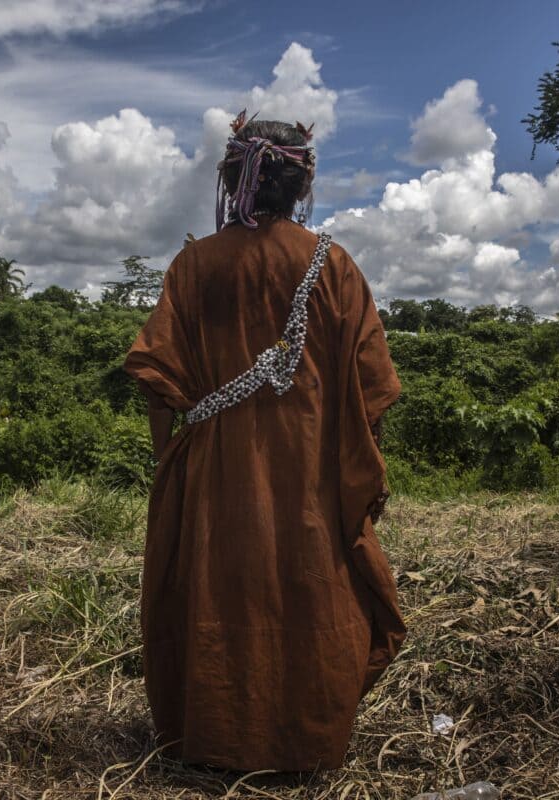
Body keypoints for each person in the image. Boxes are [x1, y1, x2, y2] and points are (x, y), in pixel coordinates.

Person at [122, 111, 405, 773]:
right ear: (301, 180)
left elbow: (157, 379)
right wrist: (354, 469)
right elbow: (373, 390)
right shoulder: (333, 265)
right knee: (312, 593)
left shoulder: (195, 265)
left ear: (232, 177)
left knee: (220, 594)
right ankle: (304, 744)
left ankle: (218, 740)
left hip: (219, 474)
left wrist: (176, 460)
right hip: (308, 473)